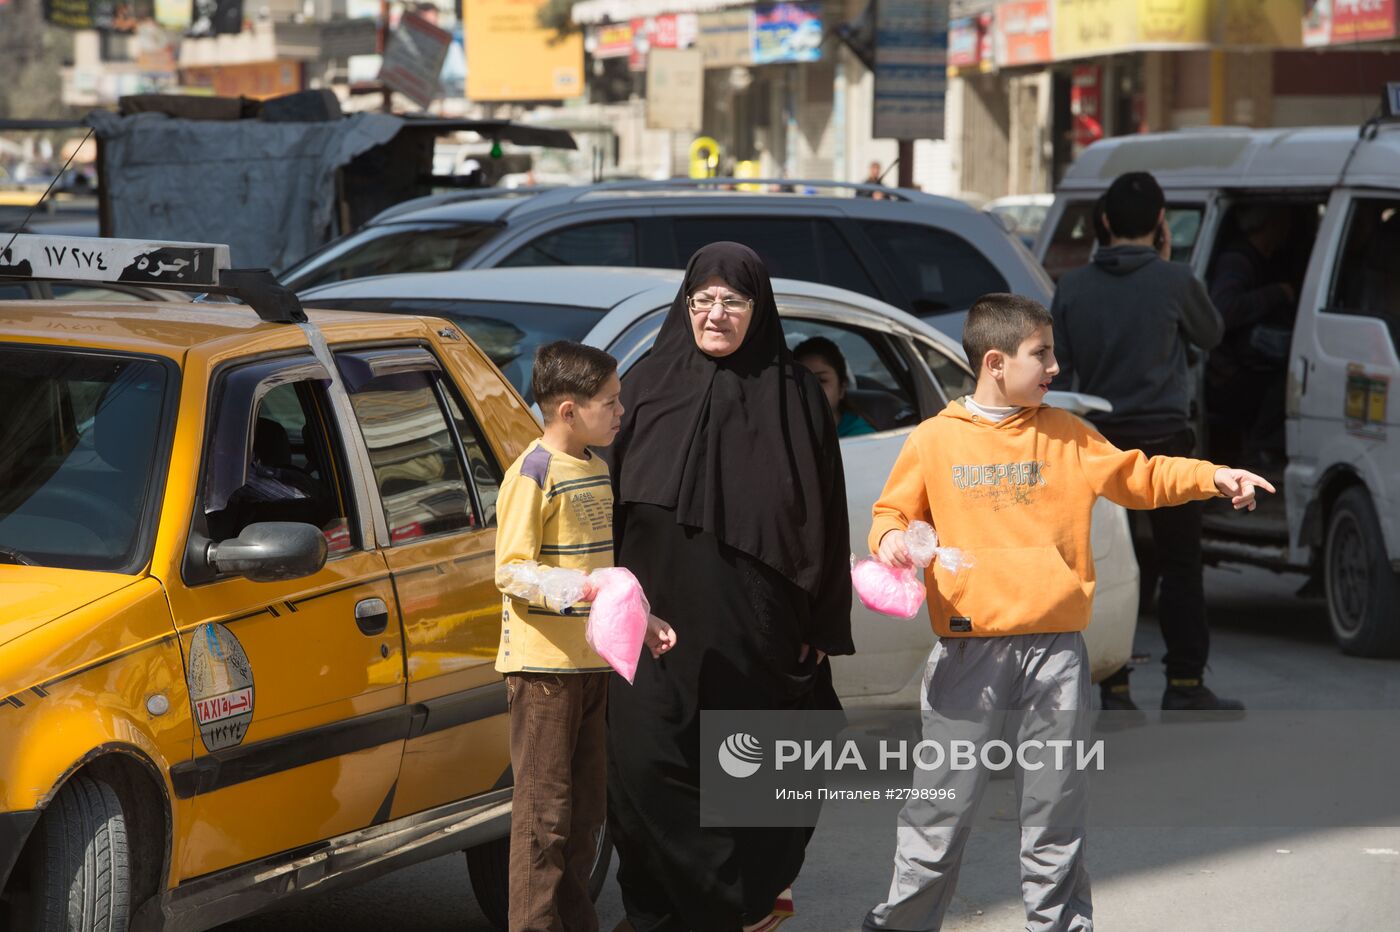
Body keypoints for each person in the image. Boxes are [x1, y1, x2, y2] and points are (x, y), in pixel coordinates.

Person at [862, 293, 1273, 932]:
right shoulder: (935, 440)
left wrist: (1212, 476)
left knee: (1054, 815)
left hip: (1055, 653)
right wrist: (891, 542)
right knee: (939, 812)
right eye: (1042, 355)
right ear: (995, 362)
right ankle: (900, 924)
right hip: (969, 653)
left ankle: (1058, 926)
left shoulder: (1067, 434)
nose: (1055, 367)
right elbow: (892, 514)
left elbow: (1139, 476)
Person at [603, 242, 854, 932]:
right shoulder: (646, 382)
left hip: (757, 626)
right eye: (704, 300)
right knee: (643, 768)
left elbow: (827, 518)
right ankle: (685, 907)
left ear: (758, 308)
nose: (717, 314)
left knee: (750, 782)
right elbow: (603, 505)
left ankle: (727, 907)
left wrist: (825, 629)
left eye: (734, 301)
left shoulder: (794, 394)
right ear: (685, 305)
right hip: (651, 626)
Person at [493, 341, 676, 932]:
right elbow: (512, 571)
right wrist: (583, 587)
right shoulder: (532, 473)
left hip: (591, 667)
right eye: (610, 402)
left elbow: (607, 574)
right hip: (543, 673)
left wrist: (638, 619)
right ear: (568, 409)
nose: (621, 412)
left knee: (585, 818)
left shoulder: (597, 469)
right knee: (542, 822)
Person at [1049, 171, 1238, 715]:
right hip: (1168, 444)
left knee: (1111, 566)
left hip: (1099, 449)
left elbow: (1060, 367)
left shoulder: (1073, 286)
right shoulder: (1176, 281)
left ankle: (1114, 686)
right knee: (1180, 563)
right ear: (1160, 222)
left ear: (1103, 221)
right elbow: (1212, 335)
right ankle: (1184, 685)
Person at [1206, 205, 1299, 468]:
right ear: (1270, 224)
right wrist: (1277, 293)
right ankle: (1257, 452)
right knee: (1288, 385)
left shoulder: (1268, 259)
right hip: (1226, 372)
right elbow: (1224, 311)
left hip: (1250, 359)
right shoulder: (1238, 261)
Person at [794, 336, 877, 437]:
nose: (810, 389)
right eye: (801, 381)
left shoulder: (862, 437)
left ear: (841, 389)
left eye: (821, 380)